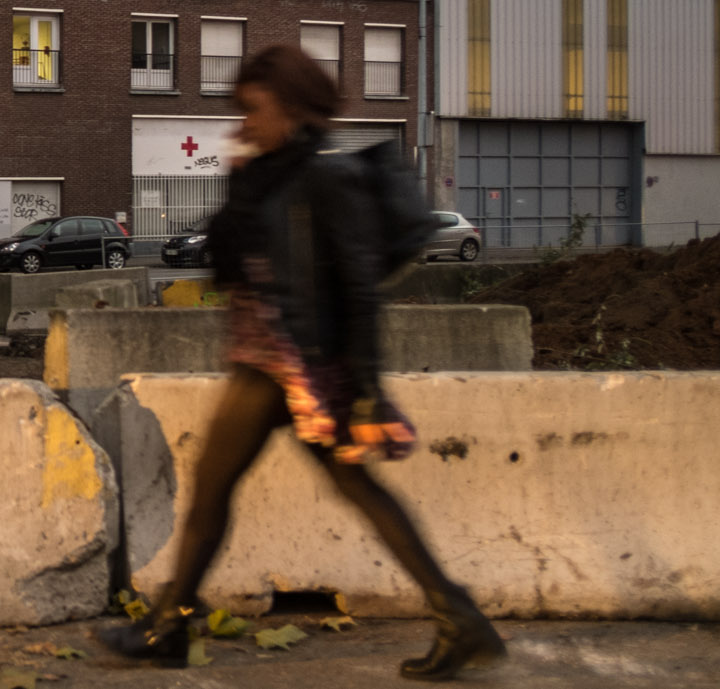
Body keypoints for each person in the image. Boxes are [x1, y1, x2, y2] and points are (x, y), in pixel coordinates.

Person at [98, 44, 505, 682]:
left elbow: (360, 287)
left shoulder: (324, 177)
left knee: (215, 487)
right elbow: (226, 263)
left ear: (290, 109)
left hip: (292, 366)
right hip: (268, 353)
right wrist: (238, 180)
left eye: (253, 111)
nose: (243, 124)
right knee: (345, 490)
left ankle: (170, 626)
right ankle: (459, 618)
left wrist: (367, 392)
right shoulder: (271, 175)